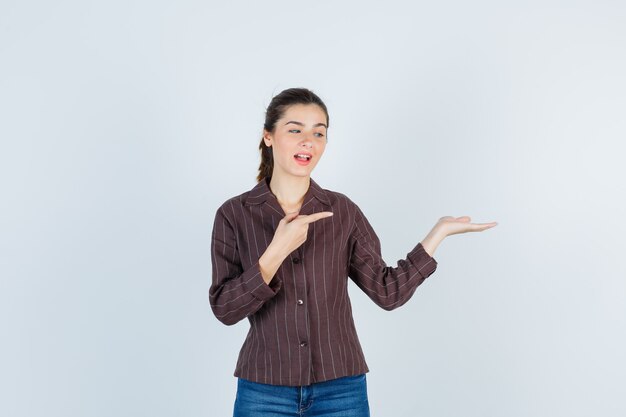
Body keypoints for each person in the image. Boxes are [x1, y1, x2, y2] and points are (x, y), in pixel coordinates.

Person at [209, 87, 498, 416]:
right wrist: (276, 251)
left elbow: (387, 292)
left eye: (319, 133)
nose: (309, 141)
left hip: (341, 390)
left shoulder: (343, 212)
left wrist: (438, 234)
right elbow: (224, 308)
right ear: (268, 136)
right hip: (263, 389)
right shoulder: (234, 214)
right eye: (295, 130)